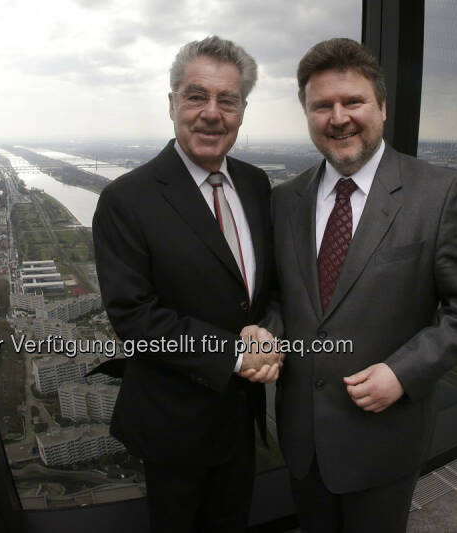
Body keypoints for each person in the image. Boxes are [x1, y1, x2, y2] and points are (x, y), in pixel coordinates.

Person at [262, 38, 457, 532]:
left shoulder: (436, 194)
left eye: (353, 101)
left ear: (383, 108)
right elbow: (282, 296)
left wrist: (403, 373)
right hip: (302, 435)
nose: (338, 117)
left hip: (384, 437)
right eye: (322, 106)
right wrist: (268, 331)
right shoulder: (284, 200)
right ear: (307, 116)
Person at [90, 35, 281, 533]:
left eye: (228, 100)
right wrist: (237, 356)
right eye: (197, 96)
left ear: (242, 111)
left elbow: (269, 288)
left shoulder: (257, 184)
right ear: (172, 104)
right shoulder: (125, 199)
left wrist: (268, 331)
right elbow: (135, 317)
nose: (211, 113)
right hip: (175, 424)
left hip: (241, 416)